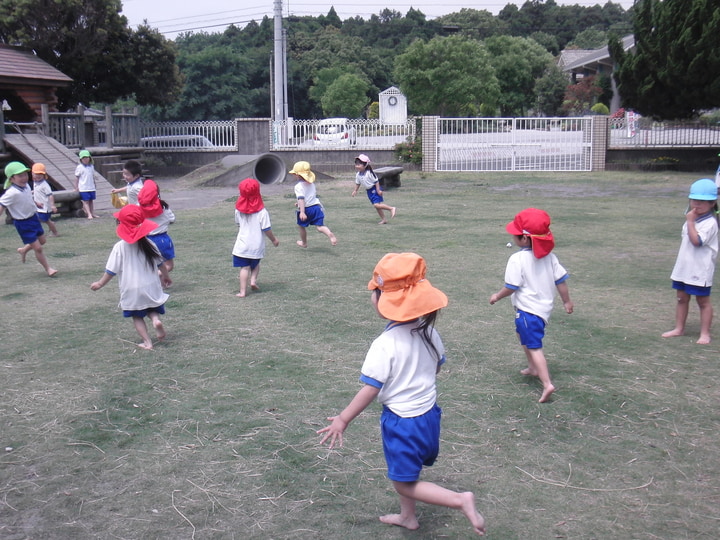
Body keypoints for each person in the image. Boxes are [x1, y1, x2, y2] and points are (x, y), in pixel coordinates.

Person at [318, 252, 486, 536]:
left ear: (382, 301)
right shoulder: (430, 333)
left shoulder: (385, 344)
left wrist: (343, 419)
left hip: (403, 422)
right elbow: (435, 369)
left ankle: (460, 500)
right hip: (429, 415)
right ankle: (408, 517)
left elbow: (371, 388)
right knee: (408, 470)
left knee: (402, 481)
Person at [489, 208, 573, 403]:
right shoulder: (550, 257)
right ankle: (533, 367)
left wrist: (496, 296)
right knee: (522, 335)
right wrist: (566, 301)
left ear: (525, 239)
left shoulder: (517, 259)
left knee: (534, 346)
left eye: (515, 234)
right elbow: (561, 281)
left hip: (528, 311)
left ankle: (546, 383)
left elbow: (511, 287)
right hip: (542, 311)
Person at [90, 204, 171, 350]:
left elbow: (111, 271)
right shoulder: (149, 243)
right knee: (151, 307)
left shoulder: (120, 247)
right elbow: (161, 264)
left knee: (137, 316)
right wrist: (166, 277)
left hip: (132, 288)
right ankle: (156, 320)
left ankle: (147, 342)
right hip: (151, 285)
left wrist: (100, 284)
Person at [662, 178, 719, 344]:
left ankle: (705, 333)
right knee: (681, 297)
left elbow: (697, 241)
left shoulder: (709, 223)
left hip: (700, 269)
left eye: (703, 202)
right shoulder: (692, 219)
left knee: (702, 300)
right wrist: (690, 221)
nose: (697, 205)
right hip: (684, 266)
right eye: (695, 200)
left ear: (712, 203)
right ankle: (679, 328)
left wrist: (690, 221)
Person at [0, 161, 58, 276]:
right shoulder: (11, 193)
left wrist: (36, 203)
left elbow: (27, 197)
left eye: (25, 175)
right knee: (38, 248)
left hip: (33, 218)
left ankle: (23, 250)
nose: (24, 178)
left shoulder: (26, 186)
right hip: (23, 223)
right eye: (20, 176)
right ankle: (48, 269)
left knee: (42, 241)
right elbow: (1, 205)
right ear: (11, 179)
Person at [232, 177, 279, 297]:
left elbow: (238, 224)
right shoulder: (262, 212)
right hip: (257, 245)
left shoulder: (238, 211)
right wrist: (273, 239)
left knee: (244, 268)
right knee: (256, 264)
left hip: (242, 245)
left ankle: (242, 291)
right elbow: (266, 229)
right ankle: (253, 281)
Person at [289, 161, 337, 248]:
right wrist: (299, 204)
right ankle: (329, 234)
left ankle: (304, 243)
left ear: (297, 175)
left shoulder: (298, 186)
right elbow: (309, 197)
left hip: (307, 210)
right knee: (320, 227)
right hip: (316, 207)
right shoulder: (311, 184)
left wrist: (302, 211)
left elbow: (301, 199)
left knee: (301, 226)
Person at [138, 179, 176, 275]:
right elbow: (172, 219)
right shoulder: (163, 207)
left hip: (146, 240)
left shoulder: (138, 207)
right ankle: (154, 277)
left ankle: (157, 282)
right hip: (162, 239)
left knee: (151, 264)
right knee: (168, 265)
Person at [351, 154, 396, 224]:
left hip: (375, 189)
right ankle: (384, 219)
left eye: (359, 164)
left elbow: (376, 181)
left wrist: (378, 190)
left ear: (365, 165)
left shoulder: (369, 173)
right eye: (356, 164)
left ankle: (391, 208)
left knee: (376, 205)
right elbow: (358, 183)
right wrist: (355, 190)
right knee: (377, 207)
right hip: (369, 191)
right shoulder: (358, 175)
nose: (357, 166)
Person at [31, 163, 59, 237]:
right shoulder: (35, 182)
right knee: (40, 219)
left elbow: (50, 195)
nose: (38, 175)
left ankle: (55, 232)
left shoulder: (45, 185)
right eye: (37, 173)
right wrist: (33, 191)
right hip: (38, 206)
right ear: (32, 174)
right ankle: (50, 226)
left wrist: (52, 205)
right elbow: (37, 189)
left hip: (44, 207)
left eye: (41, 174)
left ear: (44, 175)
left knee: (46, 221)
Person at [74, 149, 98, 219]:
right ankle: (89, 214)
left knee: (91, 200)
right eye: (83, 158)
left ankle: (92, 213)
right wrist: (76, 187)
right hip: (83, 187)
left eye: (87, 157)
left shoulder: (91, 166)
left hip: (91, 186)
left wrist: (94, 183)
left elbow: (92, 176)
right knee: (86, 201)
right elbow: (77, 178)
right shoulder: (79, 167)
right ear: (81, 159)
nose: (85, 159)